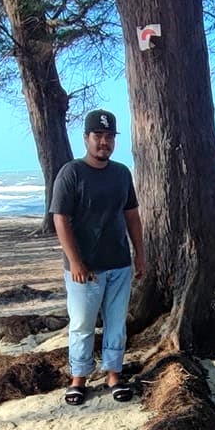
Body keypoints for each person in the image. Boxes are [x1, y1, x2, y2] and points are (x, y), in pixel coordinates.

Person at [49, 108, 145, 405]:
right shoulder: (72, 173)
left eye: (109, 136)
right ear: (86, 138)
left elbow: (131, 215)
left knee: (116, 323)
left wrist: (140, 255)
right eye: (98, 135)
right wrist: (75, 261)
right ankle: (78, 378)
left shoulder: (121, 173)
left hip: (119, 263)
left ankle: (113, 375)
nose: (104, 142)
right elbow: (60, 218)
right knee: (82, 324)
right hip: (85, 268)